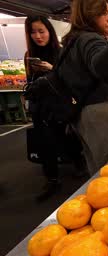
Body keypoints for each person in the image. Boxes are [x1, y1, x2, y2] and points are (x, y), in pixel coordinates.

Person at [58, 0, 108, 175]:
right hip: (106, 117)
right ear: (89, 14)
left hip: (90, 116)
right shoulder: (89, 38)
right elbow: (101, 67)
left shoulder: (73, 41)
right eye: (104, 13)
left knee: (102, 171)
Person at [24, 15, 65, 199]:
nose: (38, 36)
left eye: (41, 31)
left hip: (60, 105)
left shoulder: (61, 53)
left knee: (66, 139)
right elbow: (29, 81)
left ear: (50, 31)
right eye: (33, 32)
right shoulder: (29, 56)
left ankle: (78, 162)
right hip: (40, 106)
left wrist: (51, 69)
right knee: (45, 142)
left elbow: (69, 80)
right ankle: (52, 180)